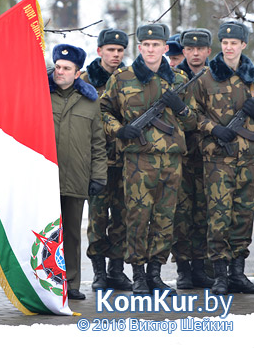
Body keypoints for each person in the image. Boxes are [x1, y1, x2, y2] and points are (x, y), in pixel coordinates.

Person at [101, 23, 197, 295]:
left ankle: (156, 273)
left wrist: (181, 108)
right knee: (137, 218)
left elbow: (192, 122)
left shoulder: (179, 80)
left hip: (171, 161)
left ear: (166, 48)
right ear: (140, 47)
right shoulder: (122, 78)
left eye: (157, 45)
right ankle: (139, 275)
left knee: (166, 219)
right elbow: (103, 111)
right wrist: (119, 130)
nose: (152, 49)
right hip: (138, 161)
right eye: (146, 45)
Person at [192, 21, 254, 295]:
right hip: (217, 159)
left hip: (249, 158)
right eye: (224, 43)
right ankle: (219, 275)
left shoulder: (252, 79)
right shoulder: (206, 78)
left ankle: (238, 273)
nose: (228, 47)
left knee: (243, 216)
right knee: (218, 216)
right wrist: (212, 129)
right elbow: (191, 115)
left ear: (243, 45)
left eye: (234, 43)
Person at [49, 44, 107, 300]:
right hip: (44, 178)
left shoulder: (90, 102)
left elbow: (98, 142)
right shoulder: (39, 94)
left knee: (71, 233)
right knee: (47, 232)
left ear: (77, 72)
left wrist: (99, 176)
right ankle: (47, 281)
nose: (59, 72)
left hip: (76, 177)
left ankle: (71, 282)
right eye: (57, 67)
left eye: (66, 68)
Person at [80, 28, 132, 291]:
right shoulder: (85, 80)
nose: (115, 55)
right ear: (99, 51)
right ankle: (99, 272)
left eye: (120, 50)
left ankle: (117, 270)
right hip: (97, 162)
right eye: (110, 50)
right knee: (98, 218)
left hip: (126, 161)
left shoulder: (130, 79)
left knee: (122, 217)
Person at [171, 28, 214, 289]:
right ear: (183, 50)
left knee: (205, 213)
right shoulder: (173, 77)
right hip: (179, 156)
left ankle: (202, 268)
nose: (195, 53)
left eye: (200, 48)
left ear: (209, 50)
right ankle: (184, 270)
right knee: (180, 215)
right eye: (189, 49)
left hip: (210, 156)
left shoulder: (218, 76)